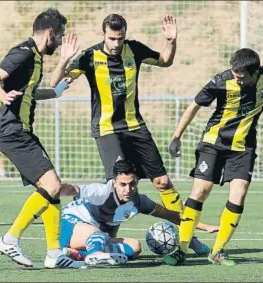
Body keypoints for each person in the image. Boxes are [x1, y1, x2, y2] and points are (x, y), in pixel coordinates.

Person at [49, 13, 186, 232]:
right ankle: (105, 238)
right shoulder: (90, 56)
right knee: (118, 185)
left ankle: (185, 234)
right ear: (103, 34)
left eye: (120, 38)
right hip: (107, 129)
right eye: (111, 38)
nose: (115, 44)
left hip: (135, 126)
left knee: (162, 182)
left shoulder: (134, 49)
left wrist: (171, 41)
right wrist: (64, 59)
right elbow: (55, 85)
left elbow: (165, 61)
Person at [0, 9, 84, 269]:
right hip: (13, 132)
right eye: (61, 36)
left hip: (21, 132)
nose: (62, 40)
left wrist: (57, 85)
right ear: (51, 33)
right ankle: (10, 239)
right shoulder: (22, 52)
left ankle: (54, 253)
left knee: (50, 189)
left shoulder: (37, 57)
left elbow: (35, 91)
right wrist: (1, 95)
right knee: (53, 185)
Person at [163, 48, 263, 266]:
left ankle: (218, 250)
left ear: (255, 73)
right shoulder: (221, 81)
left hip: (243, 147)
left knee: (238, 195)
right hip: (213, 143)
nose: (237, 80)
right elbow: (194, 105)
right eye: (235, 76)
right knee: (201, 191)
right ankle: (182, 248)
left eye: (242, 78)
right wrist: (176, 136)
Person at [58, 158, 219, 266]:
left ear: (137, 182)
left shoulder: (140, 202)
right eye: (122, 185)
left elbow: (172, 216)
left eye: (132, 184)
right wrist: (55, 189)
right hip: (70, 225)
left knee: (134, 247)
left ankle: (78, 254)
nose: (128, 189)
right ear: (114, 183)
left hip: (94, 237)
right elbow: (72, 189)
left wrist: (204, 227)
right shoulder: (100, 191)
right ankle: (95, 254)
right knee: (98, 234)